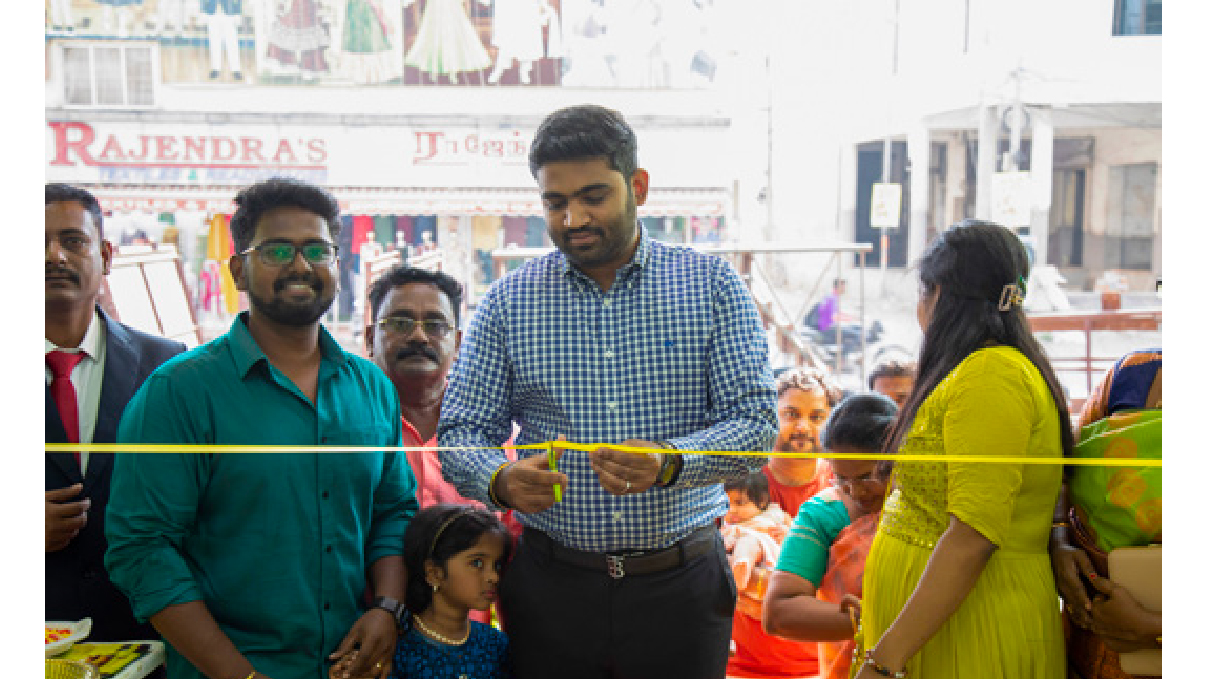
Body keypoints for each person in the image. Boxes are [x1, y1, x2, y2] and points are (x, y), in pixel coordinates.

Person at [437, 104, 778, 679]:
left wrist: (670, 461)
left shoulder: (712, 286)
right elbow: (461, 431)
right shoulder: (508, 302)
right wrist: (499, 480)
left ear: (638, 187)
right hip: (552, 589)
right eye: (555, 202)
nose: (573, 218)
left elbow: (756, 425)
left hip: (682, 589)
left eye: (593, 197)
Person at [105, 178, 419, 679]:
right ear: (238, 270)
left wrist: (386, 608)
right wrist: (241, 675)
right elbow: (142, 549)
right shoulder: (180, 392)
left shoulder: (371, 388)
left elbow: (394, 510)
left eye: (317, 250)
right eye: (277, 250)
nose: (301, 266)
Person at [854, 219, 1071, 678]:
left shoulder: (991, 375)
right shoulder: (979, 370)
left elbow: (974, 535)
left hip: (974, 628)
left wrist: (884, 662)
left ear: (940, 296)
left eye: (923, 292)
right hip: (945, 630)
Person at [45, 184, 187, 642]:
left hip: (145, 632)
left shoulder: (167, 365)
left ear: (105, 256)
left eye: (72, 241)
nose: (54, 256)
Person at [763, 392, 899, 679]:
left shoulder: (931, 507)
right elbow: (778, 613)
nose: (856, 492)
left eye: (867, 477)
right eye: (842, 478)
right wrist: (872, 619)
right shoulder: (823, 514)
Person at [1050, 349, 1161, 679]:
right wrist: (1059, 541)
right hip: (1095, 639)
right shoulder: (1133, 375)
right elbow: (1065, 471)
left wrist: (1153, 629)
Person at [726, 366, 841, 679]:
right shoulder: (740, 479)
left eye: (816, 416)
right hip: (740, 666)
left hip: (820, 666)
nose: (802, 426)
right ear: (771, 416)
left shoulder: (845, 486)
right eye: (791, 414)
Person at [363, 505, 513, 679]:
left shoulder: (494, 644)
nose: (494, 577)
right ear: (434, 573)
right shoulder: (398, 645)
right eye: (477, 563)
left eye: (497, 565)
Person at [722, 473, 790, 590]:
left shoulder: (775, 513)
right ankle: (741, 568)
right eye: (726, 505)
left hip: (772, 558)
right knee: (746, 543)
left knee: (749, 542)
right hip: (749, 553)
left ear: (762, 501)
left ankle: (741, 569)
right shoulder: (729, 527)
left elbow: (796, 532)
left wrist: (786, 532)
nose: (731, 510)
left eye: (740, 503)